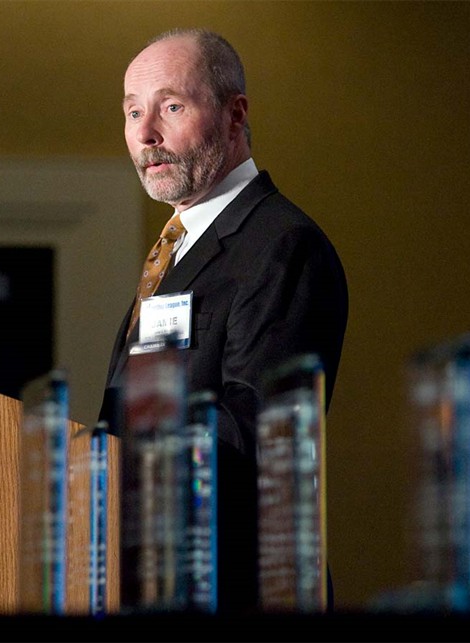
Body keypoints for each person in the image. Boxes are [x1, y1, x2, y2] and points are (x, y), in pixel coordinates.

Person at [99, 28, 349, 614]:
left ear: (235, 114)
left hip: (236, 592)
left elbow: (255, 441)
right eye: (133, 111)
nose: (145, 135)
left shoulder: (281, 245)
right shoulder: (178, 249)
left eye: (171, 107)